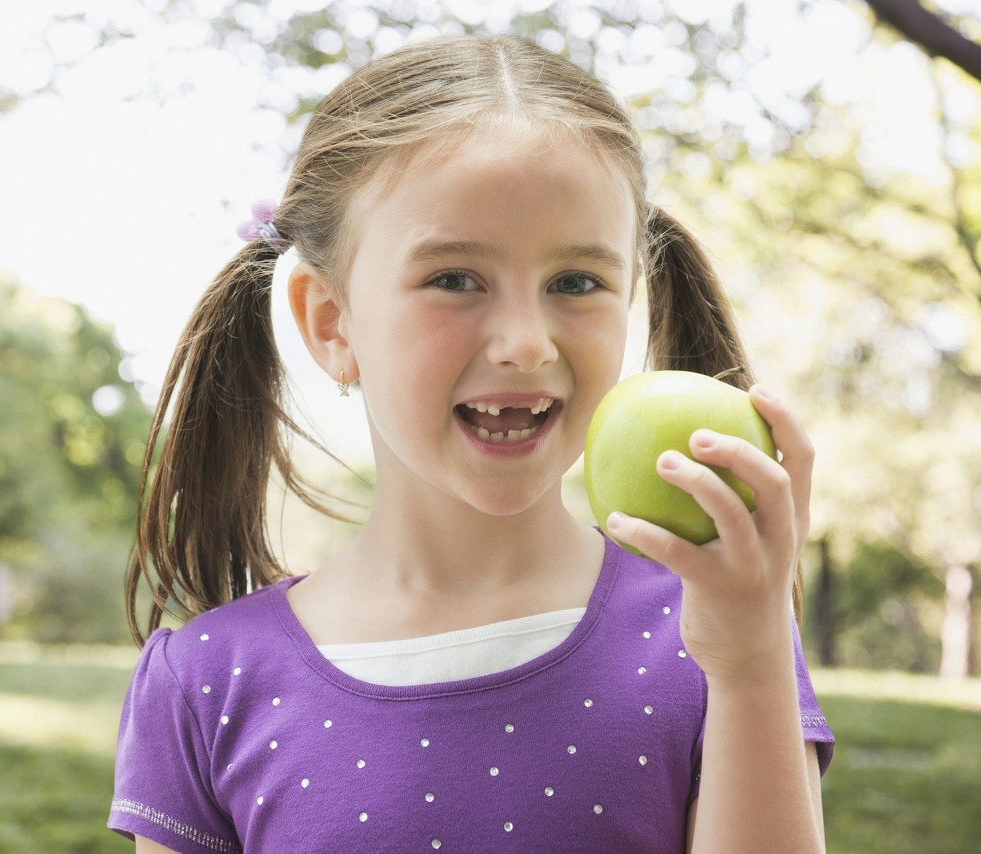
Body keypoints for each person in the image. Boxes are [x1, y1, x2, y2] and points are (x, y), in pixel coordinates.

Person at [109, 33, 834, 853]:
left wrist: (750, 659)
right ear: (331, 321)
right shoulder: (208, 684)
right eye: (454, 279)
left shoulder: (716, 632)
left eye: (576, 283)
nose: (525, 342)